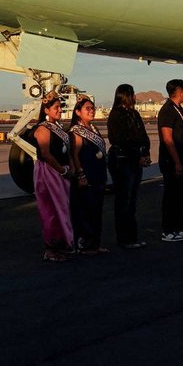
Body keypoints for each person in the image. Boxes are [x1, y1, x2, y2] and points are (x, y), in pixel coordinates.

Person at [31, 94, 76, 262]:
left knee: (62, 208)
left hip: (61, 171)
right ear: (46, 110)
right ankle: (51, 248)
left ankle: (63, 243)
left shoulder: (57, 128)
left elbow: (68, 150)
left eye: (60, 107)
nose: (59, 110)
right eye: (56, 107)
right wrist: (61, 170)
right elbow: (46, 154)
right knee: (51, 209)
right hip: (49, 172)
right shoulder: (43, 128)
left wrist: (69, 167)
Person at [106, 83, 150, 249]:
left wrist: (145, 153)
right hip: (123, 161)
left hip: (134, 161)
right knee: (124, 200)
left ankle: (132, 236)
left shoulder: (134, 113)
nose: (135, 97)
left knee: (131, 200)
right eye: (133, 94)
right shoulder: (117, 115)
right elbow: (119, 140)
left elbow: (143, 137)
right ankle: (125, 238)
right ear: (126, 96)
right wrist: (136, 157)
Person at [157, 79, 183, 242]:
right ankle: (168, 230)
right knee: (171, 196)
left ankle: (179, 228)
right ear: (179, 91)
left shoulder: (179, 109)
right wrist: (177, 161)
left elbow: (182, 138)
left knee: (181, 196)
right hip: (171, 161)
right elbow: (167, 138)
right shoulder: (167, 111)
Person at [69, 96, 109, 254]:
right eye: (87, 108)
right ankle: (85, 244)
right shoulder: (76, 131)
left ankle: (95, 243)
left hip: (98, 175)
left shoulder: (93, 128)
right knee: (85, 210)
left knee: (96, 211)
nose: (92, 111)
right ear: (78, 112)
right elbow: (74, 155)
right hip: (86, 176)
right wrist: (80, 175)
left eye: (93, 108)